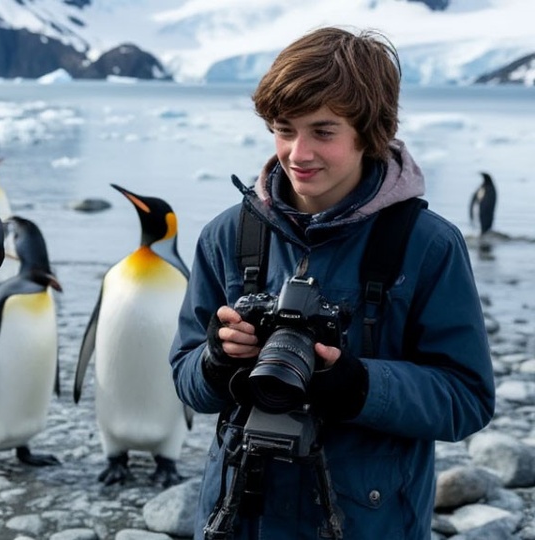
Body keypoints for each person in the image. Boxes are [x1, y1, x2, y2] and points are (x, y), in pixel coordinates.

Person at [170, 27, 495, 539]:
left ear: (370, 132)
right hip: (238, 520)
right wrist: (215, 359)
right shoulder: (229, 237)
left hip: (366, 524)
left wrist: (360, 385)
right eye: (283, 129)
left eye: (323, 132)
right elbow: (187, 384)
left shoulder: (426, 245)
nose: (298, 153)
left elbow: (467, 399)